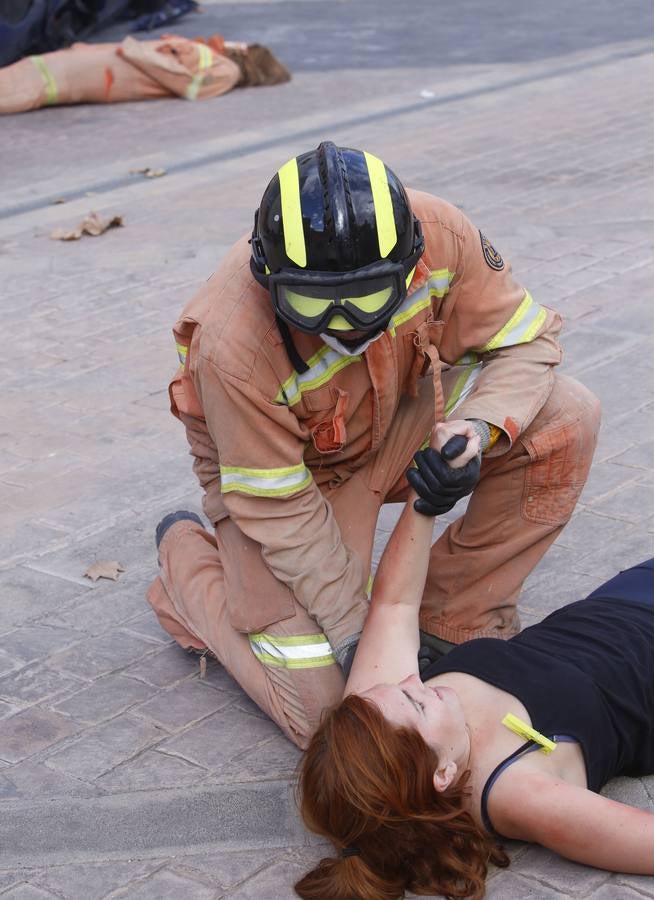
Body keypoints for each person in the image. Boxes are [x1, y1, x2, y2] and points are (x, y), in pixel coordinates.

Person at [147, 140, 600, 748]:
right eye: (312, 304)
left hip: (395, 418)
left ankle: (452, 622)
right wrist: (359, 635)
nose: (341, 323)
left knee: (569, 414)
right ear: (270, 278)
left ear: (409, 263)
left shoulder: (441, 234)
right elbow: (277, 504)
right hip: (289, 485)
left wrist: (479, 429)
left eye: (365, 299)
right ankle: (189, 562)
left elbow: (527, 343)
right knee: (333, 720)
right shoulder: (232, 342)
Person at [295, 426, 654, 900]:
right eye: (418, 703)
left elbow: (394, 607)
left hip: (620, 604)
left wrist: (426, 499)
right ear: (443, 774)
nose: (414, 679)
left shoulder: (383, 715)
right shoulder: (520, 794)